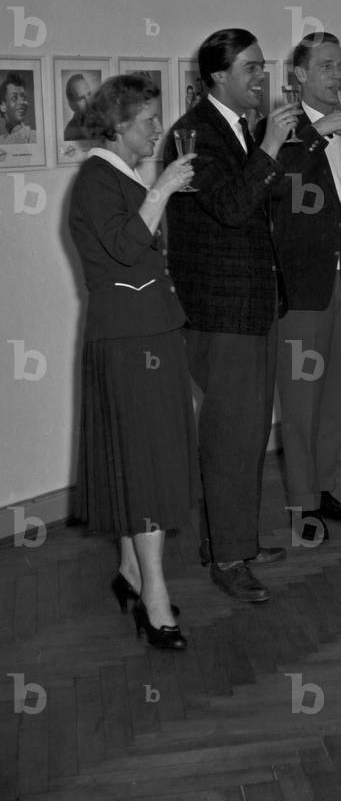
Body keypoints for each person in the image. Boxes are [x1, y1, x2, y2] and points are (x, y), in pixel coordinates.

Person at [164, 28, 302, 603]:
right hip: (222, 313)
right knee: (230, 436)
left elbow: (258, 205)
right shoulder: (193, 134)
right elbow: (229, 208)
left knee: (247, 434)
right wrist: (269, 147)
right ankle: (228, 557)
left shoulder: (238, 127)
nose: (260, 78)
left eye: (262, 66)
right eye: (250, 68)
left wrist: (280, 143)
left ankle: (232, 539)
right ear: (218, 75)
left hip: (253, 304)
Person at [68, 74, 198, 649]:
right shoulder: (98, 180)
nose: (158, 128)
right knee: (147, 463)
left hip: (146, 333)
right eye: (148, 119)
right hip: (129, 341)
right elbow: (124, 247)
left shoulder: (116, 175)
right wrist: (163, 187)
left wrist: (158, 186)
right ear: (119, 125)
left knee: (135, 456)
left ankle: (129, 571)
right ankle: (154, 599)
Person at [258, 32, 341, 541]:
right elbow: (273, 188)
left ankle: (323, 486)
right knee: (298, 401)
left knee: (334, 398)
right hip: (300, 292)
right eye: (327, 67)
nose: (338, 76)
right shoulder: (279, 131)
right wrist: (319, 135)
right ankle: (299, 501)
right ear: (298, 77)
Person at [0, 73, 35, 143]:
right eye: (14, 98)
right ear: (2, 106)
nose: (22, 102)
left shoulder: (33, 137)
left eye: (24, 97)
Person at [63, 73, 95, 139]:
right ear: (72, 105)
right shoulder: (70, 132)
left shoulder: (101, 121)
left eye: (89, 94)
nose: (88, 102)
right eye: (81, 98)